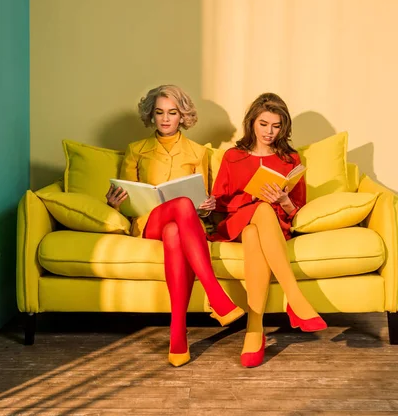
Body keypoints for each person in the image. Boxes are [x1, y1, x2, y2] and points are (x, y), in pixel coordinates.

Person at [106, 84, 244, 368]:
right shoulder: (136, 151)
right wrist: (113, 202)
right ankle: (216, 295)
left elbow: (201, 206)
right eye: (159, 113)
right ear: (151, 116)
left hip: (182, 224)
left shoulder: (198, 152)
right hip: (148, 223)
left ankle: (178, 333)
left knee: (176, 226)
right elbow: (126, 201)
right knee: (180, 206)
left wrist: (206, 207)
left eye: (172, 112)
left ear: (183, 116)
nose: (166, 119)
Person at [209, 92, 327, 368]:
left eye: (276, 126)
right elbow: (220, 204)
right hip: (236, 221)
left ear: (283, 127)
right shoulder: (233, 156)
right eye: (263, 124)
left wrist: (284, 200)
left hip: (272, 227)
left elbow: (296, 210)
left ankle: (255, 328)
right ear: (252, 122)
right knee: (258, 210)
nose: (269, 132)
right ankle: (295, 298)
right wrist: (254, 197)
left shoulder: (290, 158)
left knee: (256, 229)